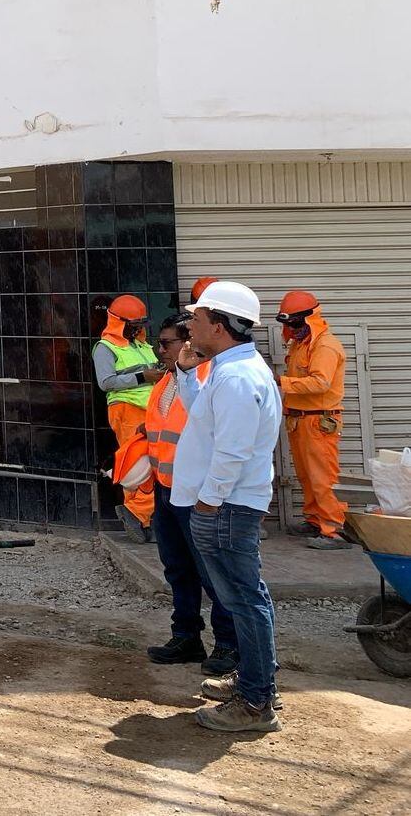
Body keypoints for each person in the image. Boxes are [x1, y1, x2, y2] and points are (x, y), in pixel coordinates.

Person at [174, 280, 282, 733]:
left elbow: (232, 451)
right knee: (244, 598)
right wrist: (185, 372)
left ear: (218, 326)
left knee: (244, 600)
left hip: (226, 507)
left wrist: (208, 502)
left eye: (197, 318)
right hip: (226, 504)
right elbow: (203, 419)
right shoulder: (228, 369)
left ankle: (256, 702)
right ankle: (256, 683)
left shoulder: (237, 378)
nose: (189, 326)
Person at [142, 315, 238, 675]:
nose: (159, 350)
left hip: (198, 495)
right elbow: (160, 431)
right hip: (166, 490)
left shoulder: (209, 381)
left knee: (213, 573)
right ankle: (186, 636)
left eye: (165, 343)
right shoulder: (167, 382)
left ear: (186, 345)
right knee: (178, 569)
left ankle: (228, 644)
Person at [274, 290, 352, 550]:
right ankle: (316, 521)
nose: (292, 330)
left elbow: (321, 383)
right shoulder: (301, 344)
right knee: (307, 476)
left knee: (323, 478)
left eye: (295, 324)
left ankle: (334, 530)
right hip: (300, 420)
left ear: (309, 319)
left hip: (318, 421)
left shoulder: (325, 345)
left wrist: (281, 382)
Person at [94, 294, 159, 537]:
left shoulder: (141, 345)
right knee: (138, 465)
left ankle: (142, 517)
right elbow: (106, 382)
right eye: (135, 325)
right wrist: (144, 377)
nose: (139, 329)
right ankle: (138, 515)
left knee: (148, 466)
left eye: (141, 324)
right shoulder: (105, 347)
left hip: (150, 411)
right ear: (119, 323)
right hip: (127, 410)